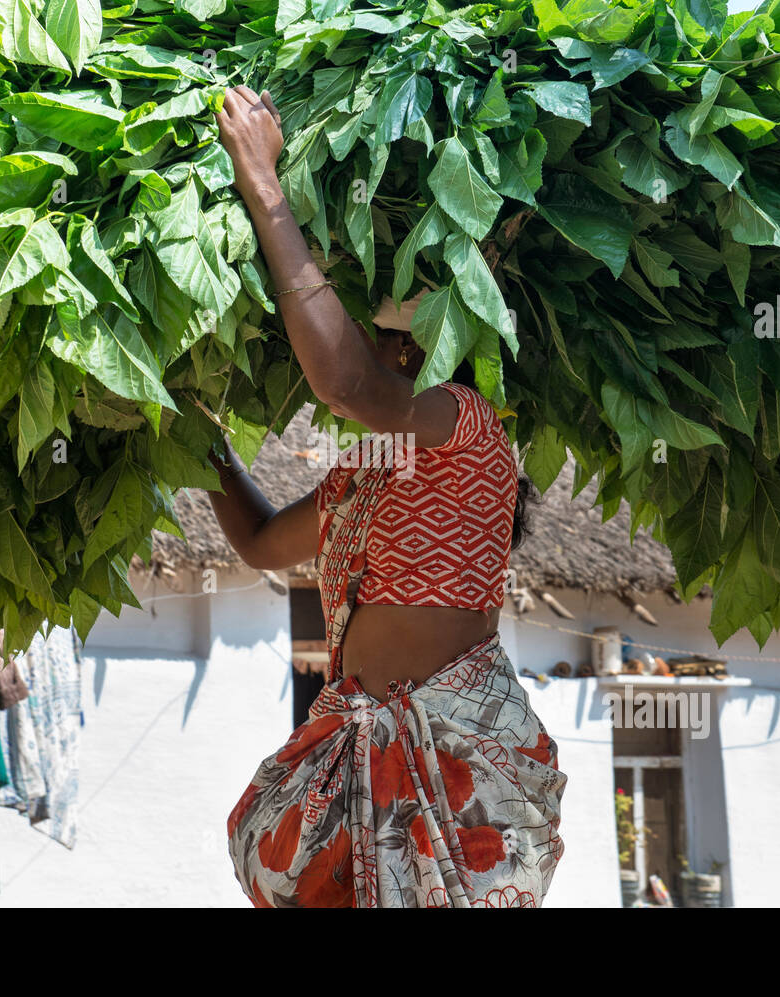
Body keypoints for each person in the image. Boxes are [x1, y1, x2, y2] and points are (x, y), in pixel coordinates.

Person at [206, 86, 567, 908]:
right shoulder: (361, 476)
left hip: (451, 782)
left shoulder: (466, 428)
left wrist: (264, 183)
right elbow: (262, 541)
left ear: (414, 347)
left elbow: (345, 384)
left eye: (374, 329)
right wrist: (192, 438)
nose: (360, 338)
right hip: (361, 775)